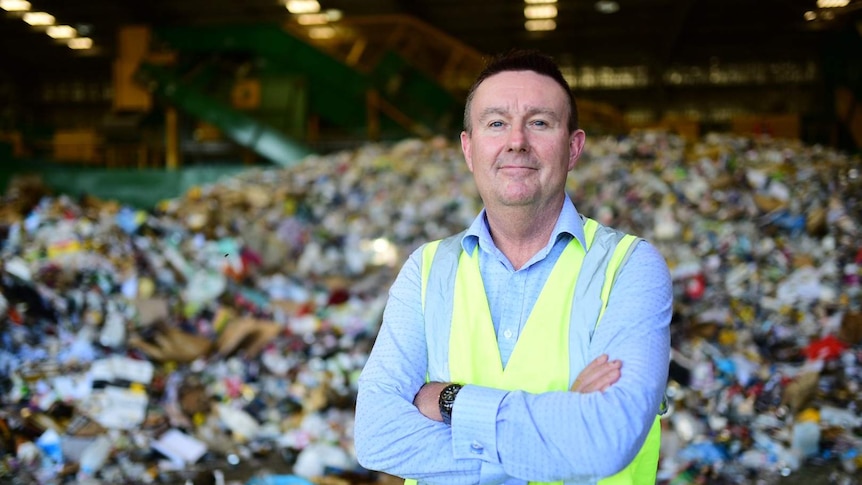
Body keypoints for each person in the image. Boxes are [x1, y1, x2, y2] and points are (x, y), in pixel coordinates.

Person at [354, 49, 672, 485]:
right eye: (496, 123)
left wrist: (449, 401)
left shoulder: (630, 268)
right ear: (469, 148)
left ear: (573, 147)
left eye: (539, 122)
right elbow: (376, 435)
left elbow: (607, 438)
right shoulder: (426, 271)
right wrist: (559, 434)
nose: (516, 141)